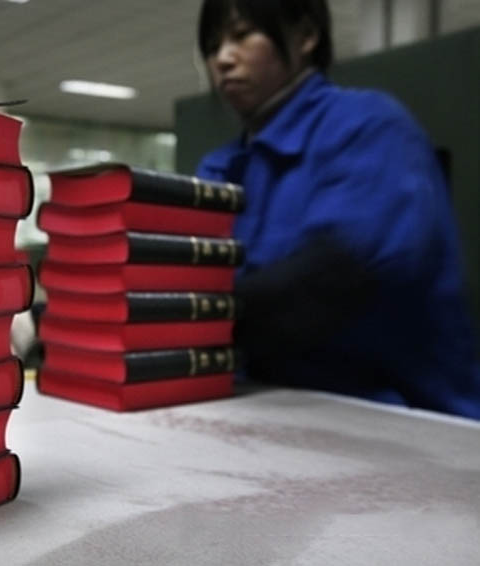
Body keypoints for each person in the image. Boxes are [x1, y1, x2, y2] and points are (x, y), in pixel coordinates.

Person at [195, 0, 480, 418]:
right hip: (269, 409)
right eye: (212, 45)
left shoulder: (370, 128)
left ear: (306, 36)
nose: (222, 58)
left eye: (241, 35)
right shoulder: (220, 168)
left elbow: (331, 280)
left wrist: (194, 318)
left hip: (402, 418)